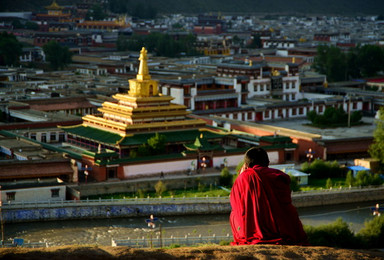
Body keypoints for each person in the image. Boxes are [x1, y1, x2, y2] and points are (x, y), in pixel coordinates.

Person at [230, 147, 308, 245]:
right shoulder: (278, 176)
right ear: (268, 163)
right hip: (284, 231)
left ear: (246, 165)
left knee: (234, 213)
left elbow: (236, 205)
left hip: (251, 232)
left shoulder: (243, 178)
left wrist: (241, 177)